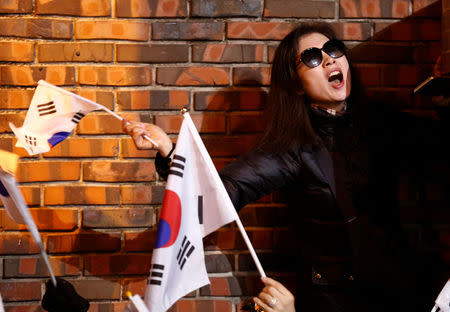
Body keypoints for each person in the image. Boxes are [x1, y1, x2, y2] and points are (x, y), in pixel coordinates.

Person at [123, 22, 441, 312]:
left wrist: (443, 93)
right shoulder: (290, 148)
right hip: (337, 300)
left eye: (333, 50)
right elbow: (215, 197)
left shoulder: (381, 121)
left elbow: (438, 149)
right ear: (298, 85)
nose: (330, 60)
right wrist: (168, 150)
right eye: (314, 58)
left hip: (401, 291)